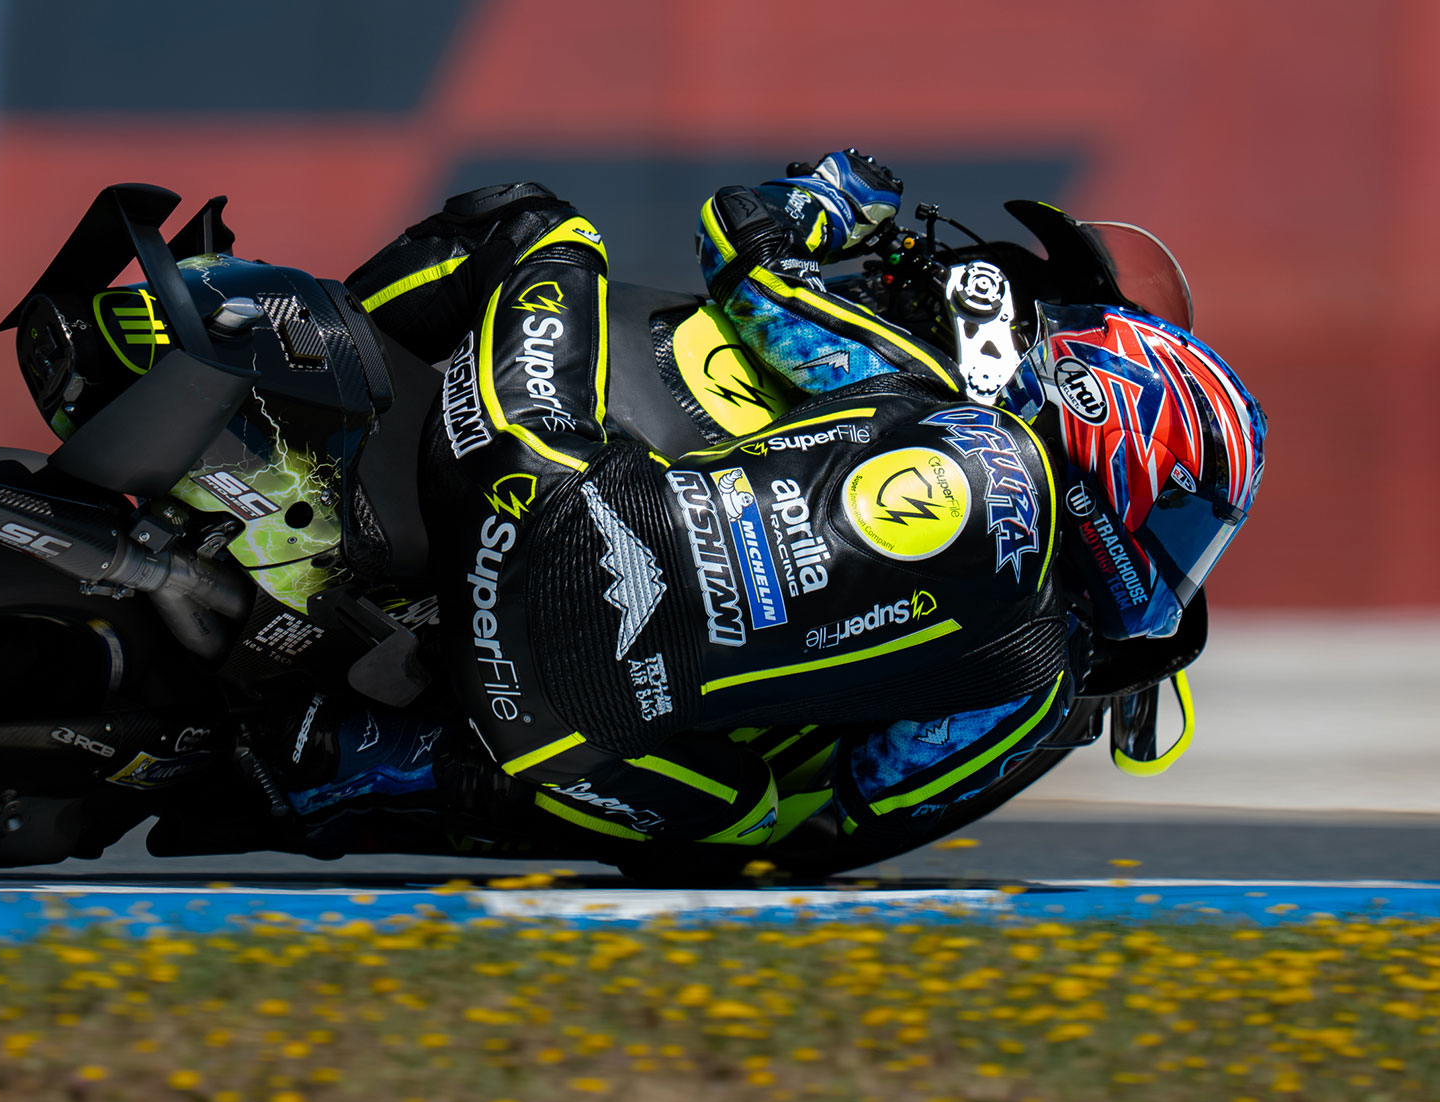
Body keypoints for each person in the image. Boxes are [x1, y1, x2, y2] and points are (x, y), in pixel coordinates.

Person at [271, 152, 1266, 857]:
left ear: (1105, 407)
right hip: (563, 744)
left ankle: (309, 373)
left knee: (534, 224)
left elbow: (743, 251)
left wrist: (831, 194)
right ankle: (376, 766)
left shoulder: (939, 402)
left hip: (530, 508)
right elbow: (857, 812)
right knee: (748, 814)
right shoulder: (1033, 688)